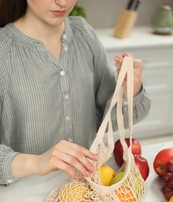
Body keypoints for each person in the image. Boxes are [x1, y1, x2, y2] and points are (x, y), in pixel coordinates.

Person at [0, 0, 151, 185]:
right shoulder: (3, 50)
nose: (61, 2)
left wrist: (131, 87)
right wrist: (36, 162)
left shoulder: (83, 33)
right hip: (22, 198)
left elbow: (112, 119)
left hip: (87, 191)